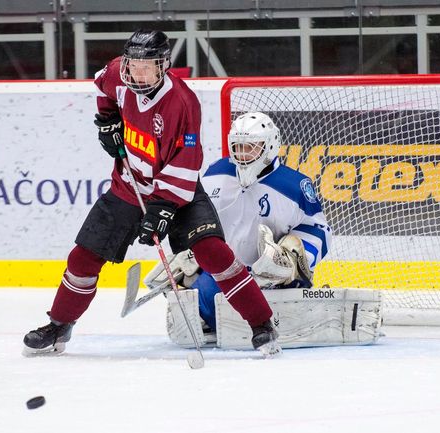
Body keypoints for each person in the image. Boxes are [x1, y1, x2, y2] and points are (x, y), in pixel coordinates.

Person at [22, 30, 279, 356]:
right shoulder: (119, 73)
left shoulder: (183, 103)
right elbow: (102, 85)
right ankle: (59, 325)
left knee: (212, 252)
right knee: (83, 258)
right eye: (133, 64)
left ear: (163, 66)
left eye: (147, 66)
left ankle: (261, 324)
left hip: (177, 192)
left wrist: (162, 210)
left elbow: (187, 163)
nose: (137, 73)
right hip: (127, 187)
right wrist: (108, 120)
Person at [145, 112, 332, 332]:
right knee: (200, 306)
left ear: (270, 145)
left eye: (251, 146)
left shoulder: (295, 185)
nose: (243, 154)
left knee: (264, 314)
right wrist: (190, 250)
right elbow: (196, 215)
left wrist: (292, 260)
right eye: (238, 146)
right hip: (226, 273)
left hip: (273, 279)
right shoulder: (216, 173)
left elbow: (319, 230)